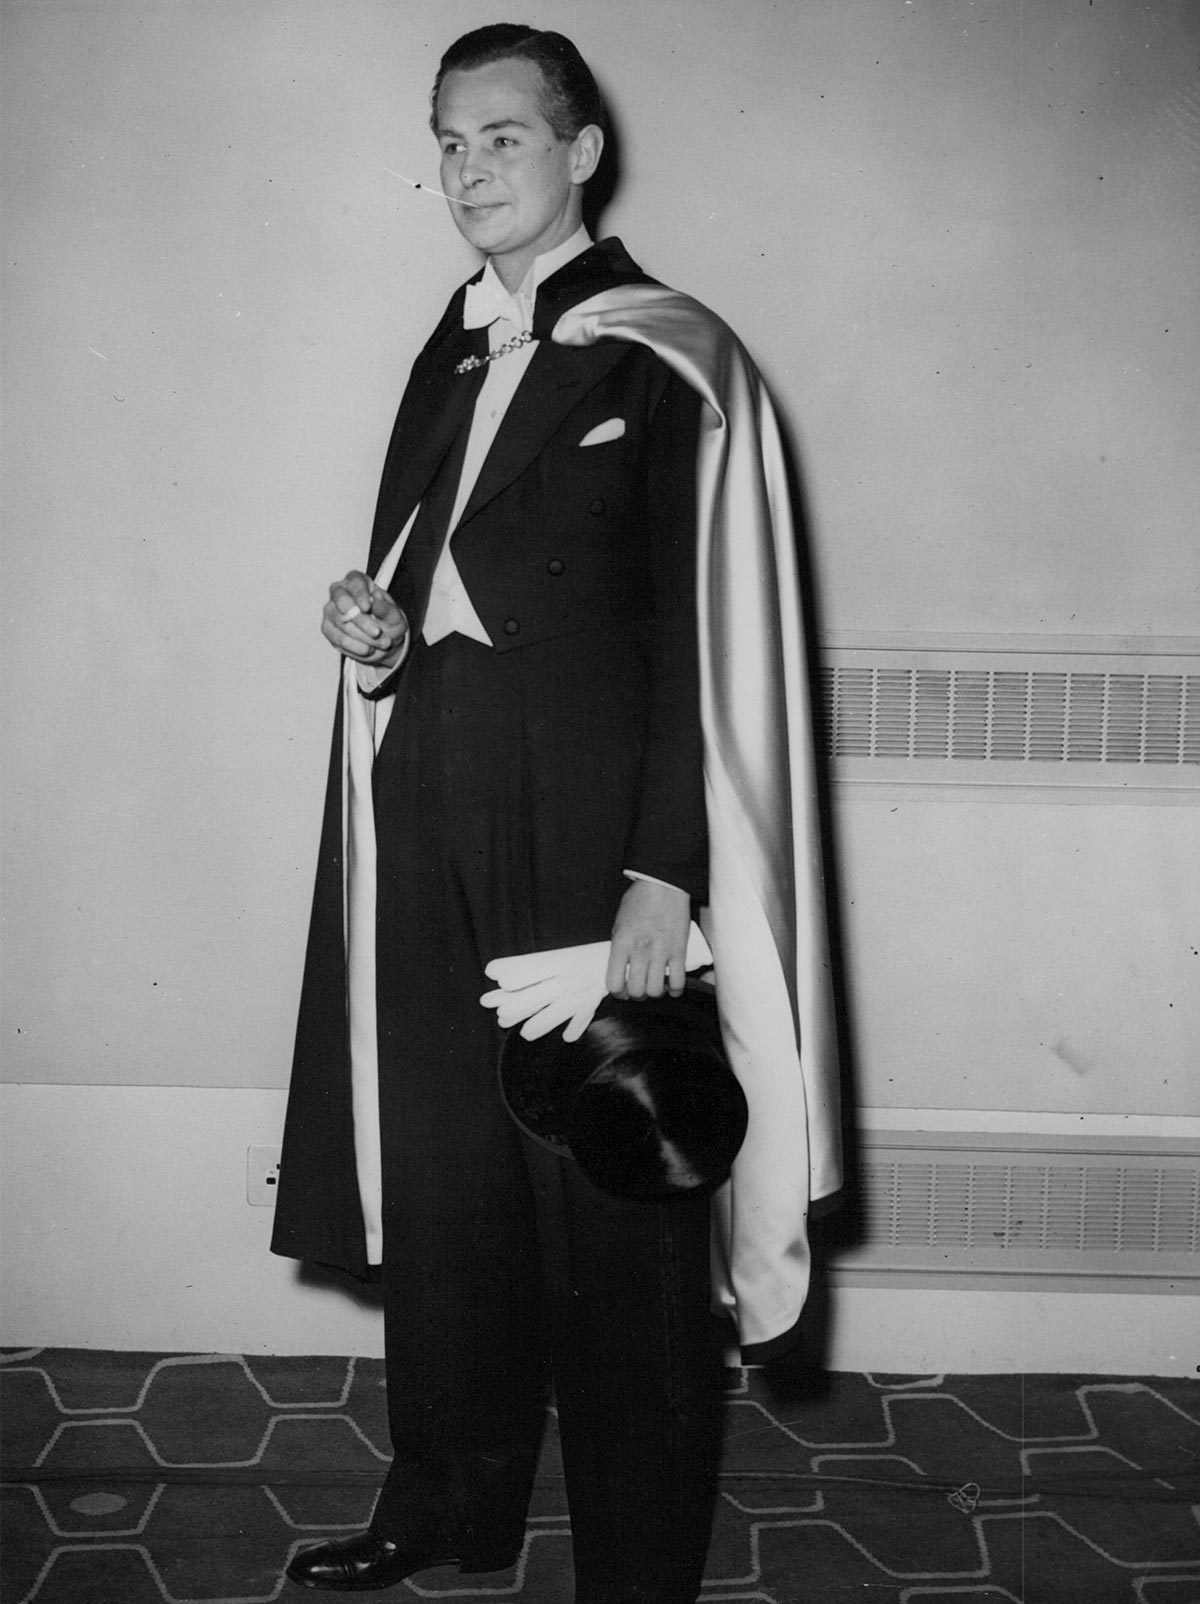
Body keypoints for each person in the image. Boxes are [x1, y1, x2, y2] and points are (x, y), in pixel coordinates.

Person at [272, 24, 842, 1602]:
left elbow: (708, 647)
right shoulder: (447, 351)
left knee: (617, 1220)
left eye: (503, 138)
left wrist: (668, 878)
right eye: (449, 144)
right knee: (452, 1196)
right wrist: (378, 643)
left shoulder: (672, 355)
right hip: (436, 819)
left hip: (600, 851)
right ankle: (448, 1507)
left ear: (582, 151)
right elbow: (436, 585)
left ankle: (637, 1567)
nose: (470, 171)